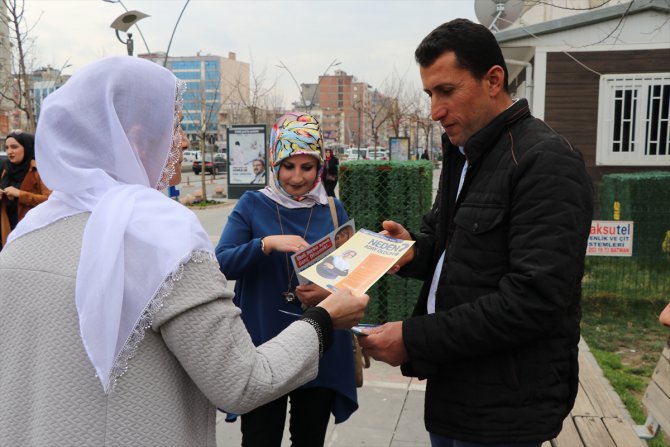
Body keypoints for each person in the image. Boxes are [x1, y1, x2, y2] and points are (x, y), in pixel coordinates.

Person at [0, 57, 369, 446]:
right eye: (175, 125)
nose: (185, 140)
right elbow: (242, 382)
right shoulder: (163, 238)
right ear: (140, 138)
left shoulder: (26, 237)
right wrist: (324, 319)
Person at [358, 18, 594, 447]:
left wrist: (412, 339)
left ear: (493, 80)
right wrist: (413, 251)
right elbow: (450, 246)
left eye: (447, 91)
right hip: (455, 389)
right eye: (430, 94)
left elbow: (533, 300)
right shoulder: (464, 152)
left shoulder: (545, 162)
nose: (435, 111)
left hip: (506, 406)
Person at [215, 112, 358, 447]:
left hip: (320, 345)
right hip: (264, 345)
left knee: (309, 441)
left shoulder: (333, 208)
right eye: (288, 166)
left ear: (320, 166)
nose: (297, 177)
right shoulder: (252, 205)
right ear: (274, 163)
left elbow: (351, 276)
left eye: (307, 167)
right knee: (259, 439)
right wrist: (265, 245)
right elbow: (220, 264)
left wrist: (328, 291)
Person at [0, 131, 51, 249]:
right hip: (6, 228)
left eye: (14, 147)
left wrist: (20, 194)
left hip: (30, 230)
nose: (9, 151)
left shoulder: (38, 170)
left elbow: (51, 200)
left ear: (27, 147)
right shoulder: (6, 169)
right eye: (7, 147)